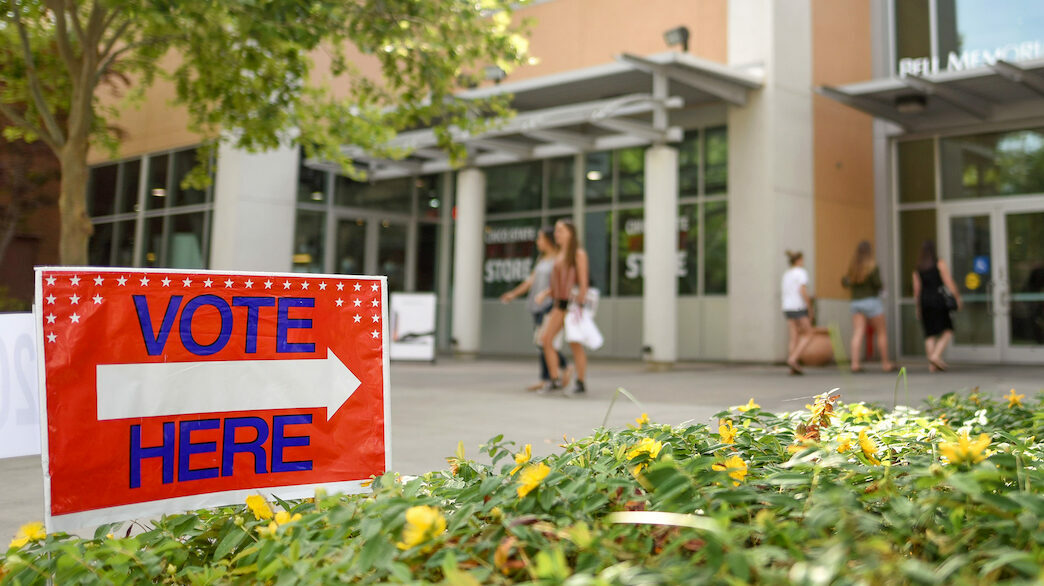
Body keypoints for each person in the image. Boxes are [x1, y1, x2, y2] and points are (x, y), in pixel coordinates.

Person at [500, 227, 570, 391]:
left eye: (540, 239)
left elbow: (560, 285)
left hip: (549, 305)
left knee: (544, 341)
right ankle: (548, 377)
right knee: (542, 342)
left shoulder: (558, 260)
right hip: (537, 305)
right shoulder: (542, 259)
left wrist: (550, 297)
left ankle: (561, 369)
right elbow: (530, 281)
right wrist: (513, 294)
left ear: (548, 240)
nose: (538, 242)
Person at [537, 219, 589, 396]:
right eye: (556, 231)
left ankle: (580, 381)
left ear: (570, 233)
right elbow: (557, 284)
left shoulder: (578, 254)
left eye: (561, 231)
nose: (557, 234)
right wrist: (545, 294)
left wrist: (580, 306)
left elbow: (583, 283)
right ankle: (554, 378)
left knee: (575, 343)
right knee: (545, 339)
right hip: (558, 304)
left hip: (572, 305)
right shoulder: (559, 254)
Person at [841, 241, 895, 373]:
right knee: (881, 332)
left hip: (856, 302)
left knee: (858, 332)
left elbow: (844, 281)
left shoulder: (853, 267)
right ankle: (885, 363)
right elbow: (878, 284)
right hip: (871, 301)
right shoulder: (872, 267)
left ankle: (854, 364)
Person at [912, 240, 962, 372]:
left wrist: (918, 307)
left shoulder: (918, 269)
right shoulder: (939, 264)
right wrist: (957, 297)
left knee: (929, 334)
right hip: (938, 300)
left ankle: (932, 365)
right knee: (947, 329)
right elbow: (948, 282)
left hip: (925, 301)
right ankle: (935, 356)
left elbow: (916, 290)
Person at [781, 250, 814, 375]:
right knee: (809, 333)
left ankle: (793, 366)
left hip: (787, 307)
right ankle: (793, 359)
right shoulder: (801, 273)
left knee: (793, 336)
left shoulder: (787, 274)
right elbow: (803, 291)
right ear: (799, 260)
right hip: (798, 307)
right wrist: (809, 307)